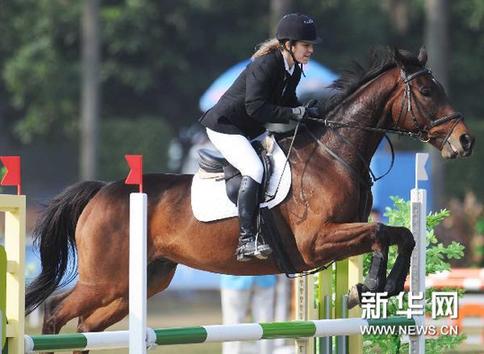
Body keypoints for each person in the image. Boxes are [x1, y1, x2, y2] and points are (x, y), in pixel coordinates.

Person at [199, 13, 322, 262]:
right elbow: (256, 107)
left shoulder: (294, 69)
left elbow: (287, 103)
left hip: (250, 129)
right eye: (306, 45)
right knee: (254, 169)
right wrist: (292, 113)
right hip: (226, 126)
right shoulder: (265, 65)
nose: (310, 50)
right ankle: (246, 239)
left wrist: (307, 114)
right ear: (289, 44)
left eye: (311, 45)